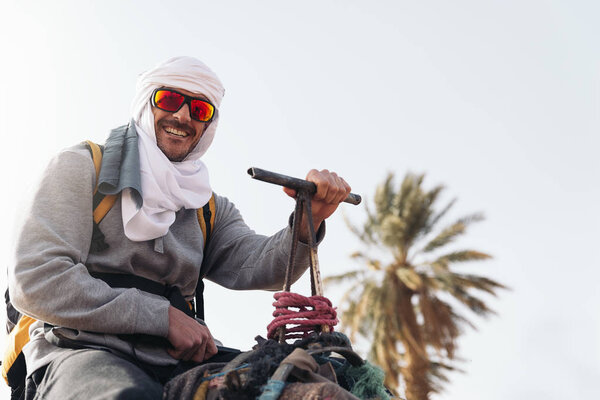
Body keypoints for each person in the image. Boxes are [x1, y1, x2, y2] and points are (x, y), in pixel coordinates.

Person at [7, 56, 351, 399]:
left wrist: (312, 218)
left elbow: (260, 265)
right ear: (146, 104)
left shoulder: (206, 207)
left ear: (207, 126)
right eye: (169, 100)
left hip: (183, 362)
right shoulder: (82, 168)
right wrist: (163, 318)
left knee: (318, 385)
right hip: (81, 351)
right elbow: (37, 279)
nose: (183, 116)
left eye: (200, 110)